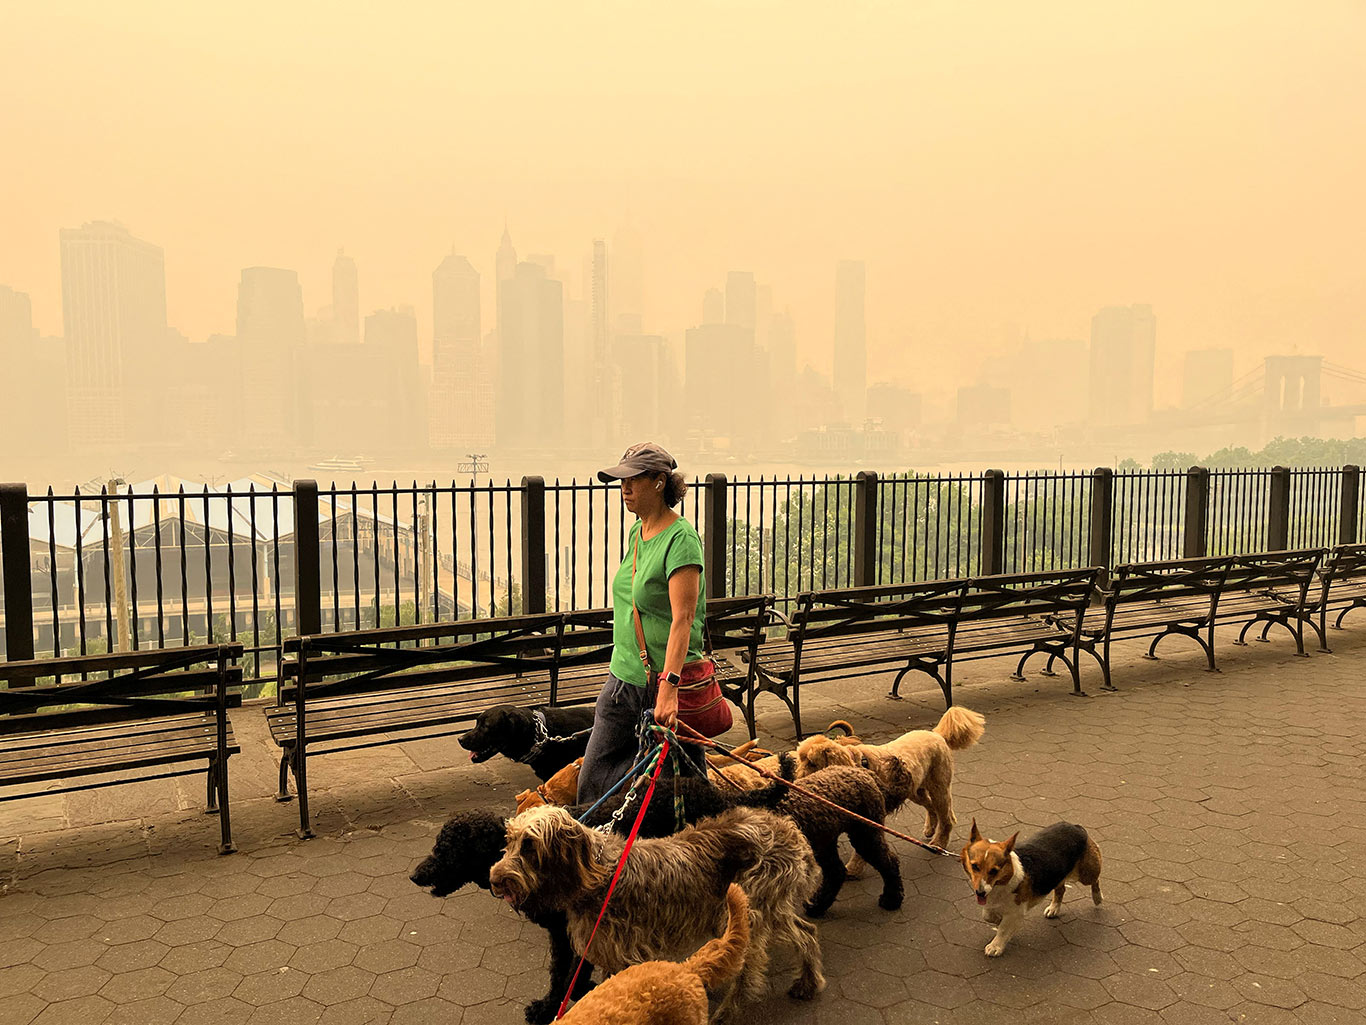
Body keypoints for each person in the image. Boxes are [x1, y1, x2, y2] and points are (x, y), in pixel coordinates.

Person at [576, 442, 707, 805]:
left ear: (660, 482)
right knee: (593, 780)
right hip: (622, 680)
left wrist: (669, 688)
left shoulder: (681, 540)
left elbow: (683, 618)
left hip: (662, 683)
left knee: (685, 789)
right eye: (622, 481)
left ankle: (712, 850)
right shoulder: (638, 532)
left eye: (634, 480)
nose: (625, 488)